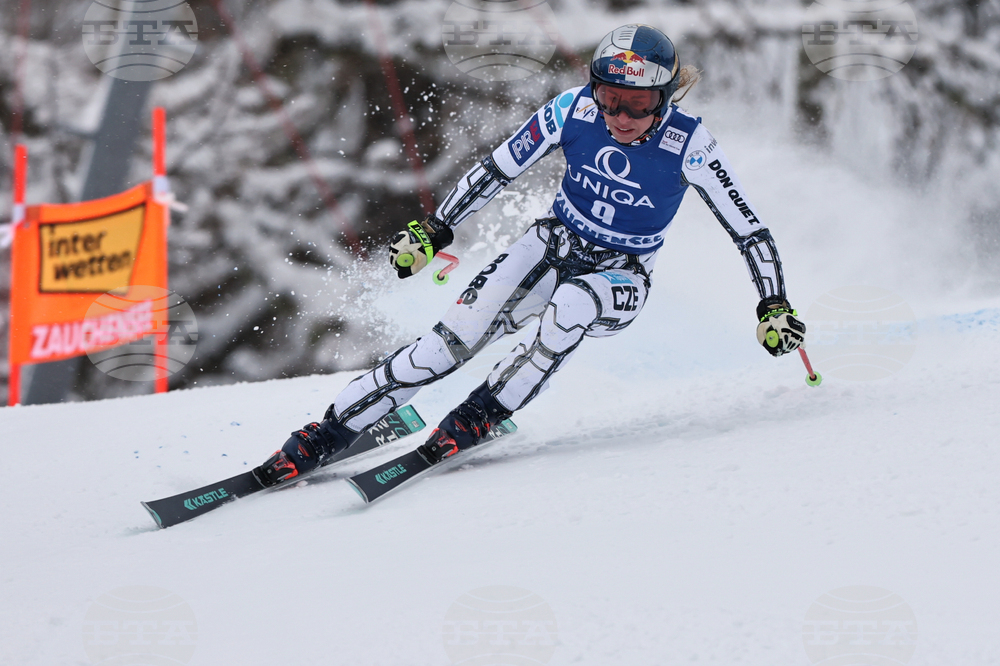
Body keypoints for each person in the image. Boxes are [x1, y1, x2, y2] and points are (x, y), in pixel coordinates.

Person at [256, 23, 807, 485]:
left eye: (637, 104)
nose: (620, 116)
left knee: (569, 307)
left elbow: (749, 231)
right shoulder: (573, 111)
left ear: (664, 98)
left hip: (623, 274)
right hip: (550, 244)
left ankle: (480, 414)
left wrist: (773, 304)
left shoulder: (690, 144)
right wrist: (435, 231)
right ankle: (323, 436)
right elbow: (498, 169)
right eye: (609, 98)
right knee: (439, 352)